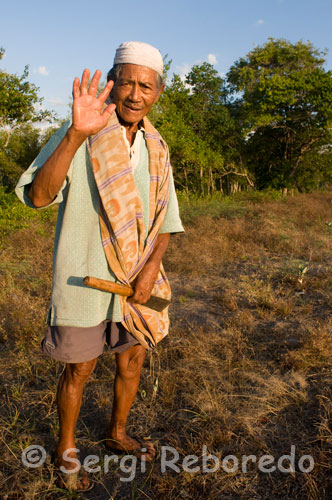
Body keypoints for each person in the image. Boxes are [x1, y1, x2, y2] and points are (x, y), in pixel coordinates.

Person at [15, 41, 183, 491]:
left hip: (137, 281)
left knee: (132, 361)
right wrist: (75, 134)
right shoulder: (81, 129)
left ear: (158, 92)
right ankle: (66, 451)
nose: (133, 93)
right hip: (85, 277)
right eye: (125, 81)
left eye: (144, 85)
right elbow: (38, 197)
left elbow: (167, 218)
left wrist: (150, 270)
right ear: (111, 82)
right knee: (80, 369)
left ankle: (117, 433)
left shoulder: (156, 146)